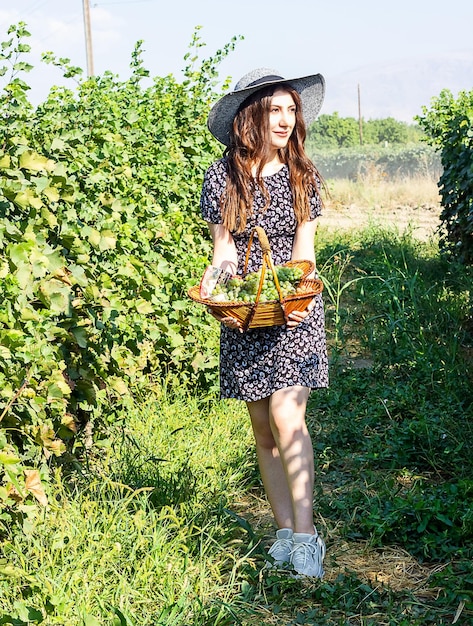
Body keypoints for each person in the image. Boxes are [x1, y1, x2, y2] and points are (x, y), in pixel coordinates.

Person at [200, 68, 329, 578]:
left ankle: (307, 537)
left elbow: (305, 256)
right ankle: (284, 534)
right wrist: (218, 283)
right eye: (274, 109)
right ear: (251, 116)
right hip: (245, 315)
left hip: (293, 312)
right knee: (264, 432)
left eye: (290, 109)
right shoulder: (222, 177)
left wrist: (294, 296)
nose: (285, 119)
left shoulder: (304, 175)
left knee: (287, 415)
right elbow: (224, 252)